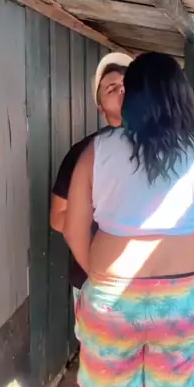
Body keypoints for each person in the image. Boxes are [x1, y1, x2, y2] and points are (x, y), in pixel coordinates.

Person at [64, 51, 194, 387]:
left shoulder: (97, 150)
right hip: (179, 298)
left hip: (111, 299)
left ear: (131, 96)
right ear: (181, 96)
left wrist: (101, 277)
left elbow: (73, 230)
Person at [50, 52, 132, 319]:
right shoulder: (84, 153)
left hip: (147, 281)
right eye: (111, 87)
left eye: (126, 85)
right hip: (95, 280)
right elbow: (58, 217)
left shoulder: (159, 148)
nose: (121, 90)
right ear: (100, 106)